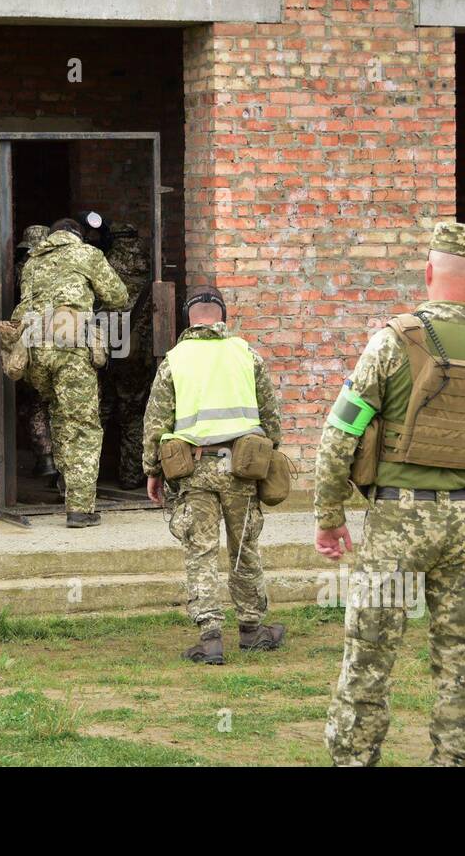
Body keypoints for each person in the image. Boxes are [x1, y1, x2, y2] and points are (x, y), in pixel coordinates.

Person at [315, 222, 465, 766]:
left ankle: (353, 759)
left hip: (397, 522)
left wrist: (329, 515)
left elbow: (339, 433)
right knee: (464, 664)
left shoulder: (394, 339)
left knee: (370, 654)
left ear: (429, 272)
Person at [143, 285, 285, 664]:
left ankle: (210, 639)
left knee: (200, 551)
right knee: (244, 548)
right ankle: (253, 630)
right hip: (241, 467)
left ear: (188, 319)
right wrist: (272, 451)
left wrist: (152, 470)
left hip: (194, 469)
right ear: (224, 316)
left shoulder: (174, 360)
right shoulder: (246, 354)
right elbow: (271, 414)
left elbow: (156, 422)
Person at [15, 218, 128, 526]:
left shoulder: (32, 261)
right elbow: (119, 296)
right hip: (70, 349)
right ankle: (80, 508)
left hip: (36, 353)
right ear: (78, 235)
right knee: (82, 425)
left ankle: (69, 489)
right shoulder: (87, 255)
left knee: (60, 418)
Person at [100, 222, 155, 491]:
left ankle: (89, 476)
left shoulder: (106, 262)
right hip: (139, 351)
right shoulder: (151, 262)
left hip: (111, 348)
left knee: (100, 410)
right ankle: (132, 476)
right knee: (134, 413)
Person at [15, 224, 56, 482]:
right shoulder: (59, 268)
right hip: (64, 345)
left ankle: (46, 458)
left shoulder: (22, 270)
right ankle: (57, 464)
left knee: (35, 405)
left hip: (31, 343)